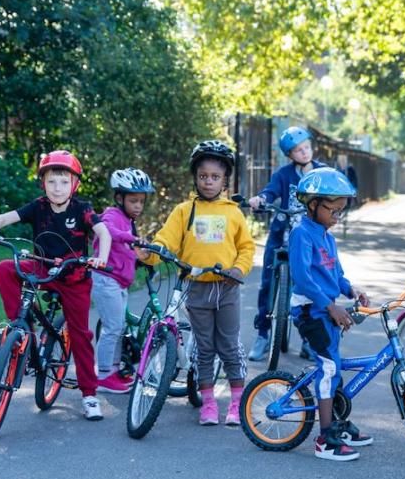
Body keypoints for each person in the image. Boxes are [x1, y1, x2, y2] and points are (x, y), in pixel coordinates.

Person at [0, 150, 111, 421]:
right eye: (51, 182)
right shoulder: (38, 206)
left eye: (64, 182)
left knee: (81, 335)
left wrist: (101, 258)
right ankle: (23, 329)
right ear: (43, 184)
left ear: (74, 184)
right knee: (5, 268)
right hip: (41, 265)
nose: (57, 188)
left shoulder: (81, 209)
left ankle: (89, 395)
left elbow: (102, 232)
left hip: (73, 276)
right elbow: (5, 218)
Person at [142, 141, 254, 426]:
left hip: (227, 287)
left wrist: (240, 269)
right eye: (203, 176)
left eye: (215, 177)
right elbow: (167, 238)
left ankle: (237, 401)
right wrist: (152, 253)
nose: (208, 182)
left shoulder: (233, 212)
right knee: (204, 347)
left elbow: (246, 247)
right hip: (196, 287)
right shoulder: (184, 210)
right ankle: (208, 403)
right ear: (195, 176)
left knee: (228, 345)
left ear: (224, 179)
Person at [289, 166, 371, 461]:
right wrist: (330, 306)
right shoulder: (302, 233)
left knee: (334, 366)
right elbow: (303, 279)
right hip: (311, 311)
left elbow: (335, 275)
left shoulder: (327, 237)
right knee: (328, 368)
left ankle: (336, 424)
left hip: (325, 309)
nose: (337, 217)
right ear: (313, 204)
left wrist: (351, 291)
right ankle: (325, 440)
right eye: (333, 211)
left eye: (340, 212)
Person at [247, 125, 324, 361]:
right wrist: (261, 199)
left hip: (310, 238)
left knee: (311, 285)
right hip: (282, 234)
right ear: (290, 155)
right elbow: (270, 192)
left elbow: (336, 190)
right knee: (267, 283)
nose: (304, 152)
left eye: (306, 147)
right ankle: (263, 334)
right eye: (298, 150)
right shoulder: (283, 174)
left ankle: (309, 340)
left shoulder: (322, 172)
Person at [92, 167, 155, 394]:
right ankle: (103, 376)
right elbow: (106, 229)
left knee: (118, 328)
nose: (138, 206)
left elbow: (126, 252)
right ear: (119, 198)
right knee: (113, 328)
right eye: (133, 200)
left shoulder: (128, 220)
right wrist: (132, 238)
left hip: (118, 282)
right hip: (106, 279)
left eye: (141, 201)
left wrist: (143, 261)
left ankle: (113, 371)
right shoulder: (112, 215)